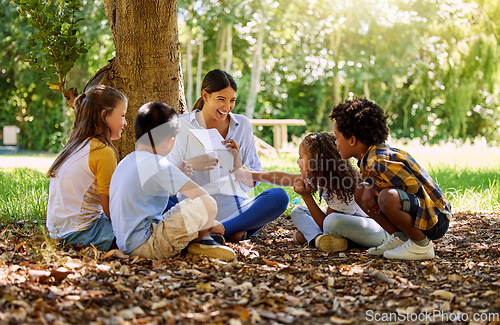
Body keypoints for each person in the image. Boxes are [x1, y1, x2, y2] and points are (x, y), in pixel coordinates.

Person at [167, 69, 289, 242]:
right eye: (221, 99)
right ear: (205, 95)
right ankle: (232, 234)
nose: (227, 107)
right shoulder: (181, 125)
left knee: (279, 197)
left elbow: (253, 182)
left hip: (236, 208)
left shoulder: (242, 125)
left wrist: (237, 163)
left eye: (232, 100)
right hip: (196, 207)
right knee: (156, 201)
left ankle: (217, 233)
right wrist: (189, 164)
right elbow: (167, 178)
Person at [109, 101, 235, 261]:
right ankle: (202, 240)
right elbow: (204, 200)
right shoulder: (157, 164)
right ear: (170, 140)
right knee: (208, 204)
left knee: (185, 206)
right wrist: (209, 222)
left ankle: (200, 237)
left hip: (125, 243)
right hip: (148, 245)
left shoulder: (125, 162)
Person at [329, 97, 452, 260]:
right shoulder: (368, 157)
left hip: (435, 217)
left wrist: (375, 186)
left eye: (337, 138)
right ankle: (401, 238)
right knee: (361, 191)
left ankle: (421, 246)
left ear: (352, 140)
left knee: (388, 198)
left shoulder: (379, 162)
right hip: (422, 212)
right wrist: (369, 185)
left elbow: (413, 187)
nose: (335, 143)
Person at [234, 132, 389, 253]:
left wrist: (307, 197)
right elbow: (284, 178)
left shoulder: (342, 186)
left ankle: (325, 239)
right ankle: (318, 239)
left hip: (375, 231)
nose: (297, 161)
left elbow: (326, 224)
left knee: (332, 221)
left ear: (316, 163)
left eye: (301, 157)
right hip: (344, 226)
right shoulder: (319, 176)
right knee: (298, 210)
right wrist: (249, 175)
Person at [46, 85, 128, 251]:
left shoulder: (75, 145)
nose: (125, 123)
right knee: (142, 228)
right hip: (82, 234)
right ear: (104, 115)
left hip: (58, 233)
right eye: (122, 116)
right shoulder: (103, 152)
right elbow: (112, 211)